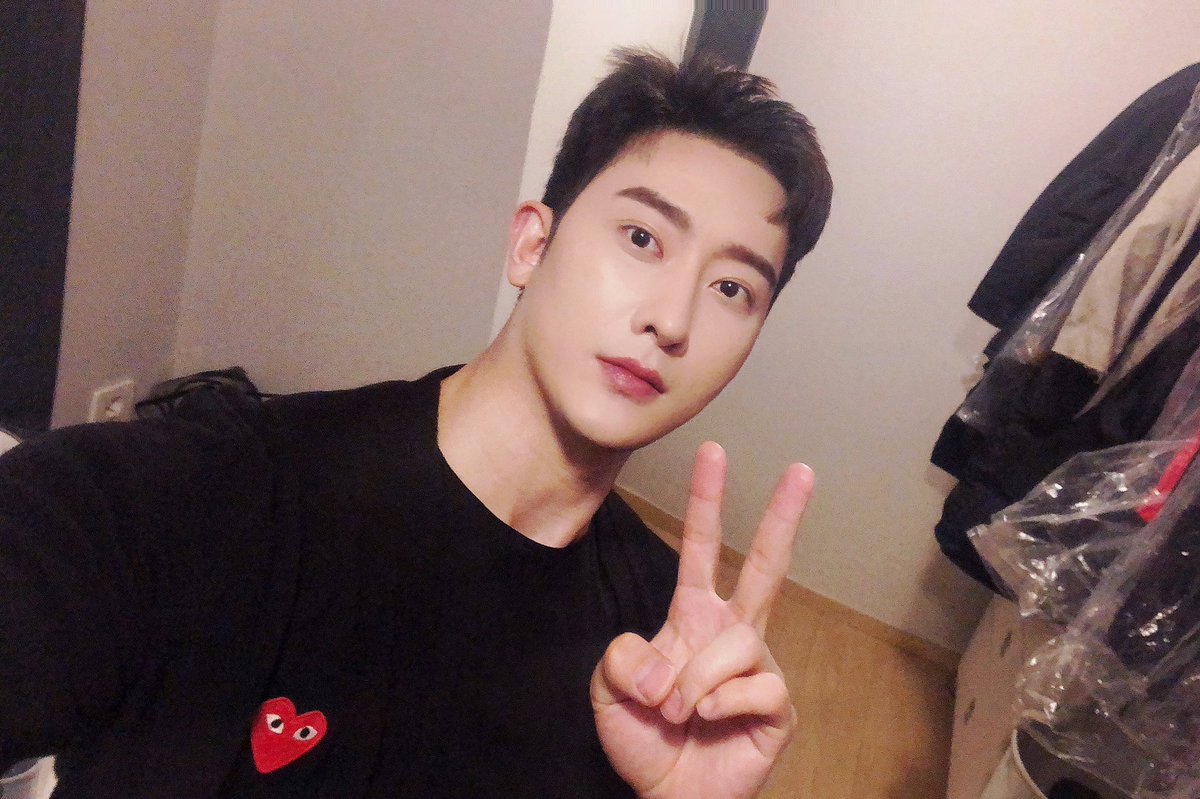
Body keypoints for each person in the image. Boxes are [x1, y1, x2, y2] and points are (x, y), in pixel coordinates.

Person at [0, 48, 831, 798]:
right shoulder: (218, 491)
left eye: (732, 289)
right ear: (530, 245)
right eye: (643, 237)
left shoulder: (665, 649)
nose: (673, 319)